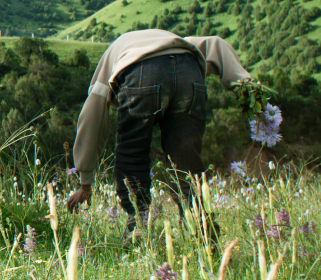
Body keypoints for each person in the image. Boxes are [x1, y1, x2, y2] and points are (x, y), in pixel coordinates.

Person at [66, 29, 252, 237]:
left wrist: (85, 181)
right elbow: (216, 44)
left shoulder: (111, 58)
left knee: (132, 154)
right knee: (186, 161)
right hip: (189, 71)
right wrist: (244, 85)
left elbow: (92, 119)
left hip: (140, 71)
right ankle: (203, 233)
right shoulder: (179, 42)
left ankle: (139, 230)